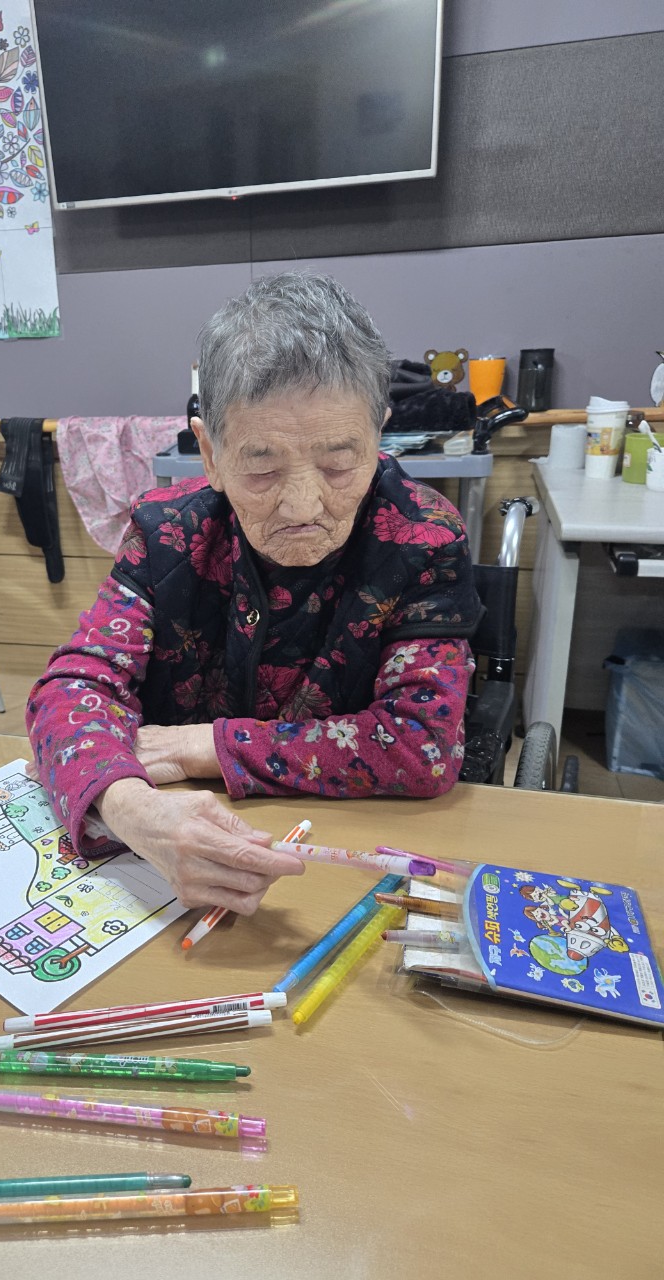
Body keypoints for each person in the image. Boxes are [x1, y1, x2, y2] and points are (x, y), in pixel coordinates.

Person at [27, 273, 481, 916]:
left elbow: (421, 745)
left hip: (339, 864)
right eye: (262, 467)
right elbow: (73, 688)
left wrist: (203, 747)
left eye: (339, 462)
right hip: (174, 861)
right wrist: (131, 808)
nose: (303, 506)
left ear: (378, 435)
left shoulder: (422, 538)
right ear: (210, 453)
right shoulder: (168, 534)